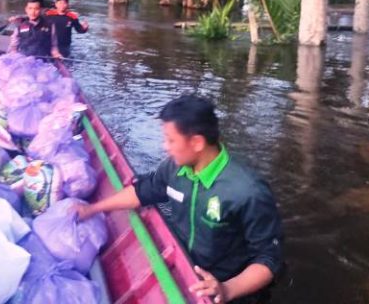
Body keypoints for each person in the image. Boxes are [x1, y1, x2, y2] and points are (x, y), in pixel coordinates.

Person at [76, 95, 283, 304]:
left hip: (227, 289)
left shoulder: (247, 191)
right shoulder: (174, 168)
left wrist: (227, 289)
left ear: (197, 142)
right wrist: (92, 209)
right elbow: (142, 192)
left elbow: (269, 259)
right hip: (186, 270)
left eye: (171, 140)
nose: (165, 146)